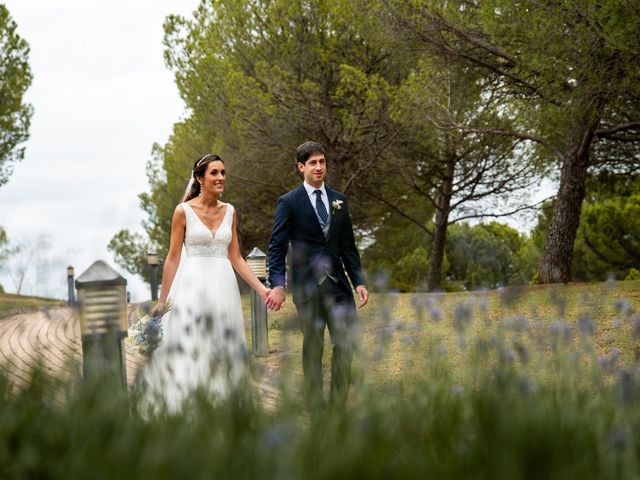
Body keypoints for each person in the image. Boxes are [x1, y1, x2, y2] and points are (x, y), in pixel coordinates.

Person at [138, 153, 270, 414]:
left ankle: (224, 409)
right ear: (199, 178)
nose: (221, 177)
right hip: (192, 287)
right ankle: (187, 408)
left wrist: (262, 289)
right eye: (214, 173)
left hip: (224, 286)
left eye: (223, 172)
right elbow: (173, 258)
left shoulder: (230, 211)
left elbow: (236, 257)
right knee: (193, 344)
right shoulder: (183, 212)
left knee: (223, 345)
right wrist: (163, 301)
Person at [266, 141, 369, 408]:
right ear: (301, 167)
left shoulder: (339, 201)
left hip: (339, 288)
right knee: (313, 348)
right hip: (307, 289)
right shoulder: (288, 203)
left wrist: (358, 280)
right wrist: (277, 284)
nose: (319, 167)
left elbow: (348, 246)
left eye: (322, 161)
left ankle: (337, 407)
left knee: (344, 346)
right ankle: (315, 406)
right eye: (312, 163)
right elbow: (276, 247)